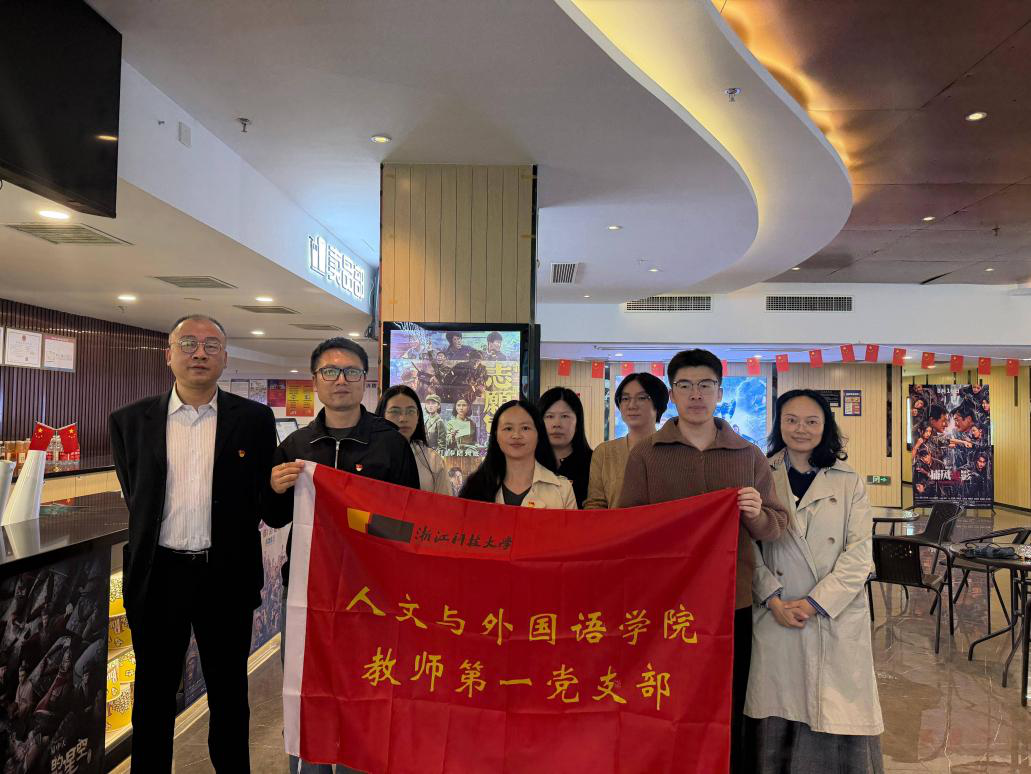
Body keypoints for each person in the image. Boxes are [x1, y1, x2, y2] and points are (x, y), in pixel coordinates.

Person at [108, 314, 277, 772]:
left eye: (210, 345)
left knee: (229, 694)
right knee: (153, 697)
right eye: (188, 344)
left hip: (226, 575)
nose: (199, 353)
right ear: (169, 355)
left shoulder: (254, 420)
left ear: (225, 357)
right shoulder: (129, 421)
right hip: (157, 577)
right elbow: (136, 494)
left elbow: (262, 498)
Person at [618, 348, 787, 773]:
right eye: (686, 385)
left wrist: (755, 514)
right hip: (665, 605)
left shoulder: (747, 455)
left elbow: (775, 526)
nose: (696, 395)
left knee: (727, 699)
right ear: (672, 393)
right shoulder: (647, 454)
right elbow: (626, 525)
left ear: (720, 392)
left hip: (732, 604)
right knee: (666, 698)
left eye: (705, 385)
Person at [266, 337, 419, 774]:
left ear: (365, 381)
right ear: (315, 380)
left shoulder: (389, 444)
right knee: (308, 691)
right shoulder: (296, 446)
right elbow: (275, 518)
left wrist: (360, 522)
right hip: (307, 592)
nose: (340, 381)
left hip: (371, 594)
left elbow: (409, 522)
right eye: (330, 372)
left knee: (367, 691)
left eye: (351, 372)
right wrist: (274, 489)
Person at [746, 389, 883, 772]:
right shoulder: (761, 474)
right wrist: (772, 598)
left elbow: (859, 554)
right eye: (791, 420)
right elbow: (748, 548)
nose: (800, 429)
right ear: (779, 424)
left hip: (830, 614)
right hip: (776, 611)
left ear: (826, 427)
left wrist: (813, 603)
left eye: (811, 421)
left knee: (833, 707)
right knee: (779, 706)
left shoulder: (848, 481)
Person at [458, 399, 576, 508]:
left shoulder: (562, 489)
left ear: (539, 434)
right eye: (508, 428)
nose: (516, 435)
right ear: (496, 435)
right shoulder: (475, 487)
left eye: (525, 428)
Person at [584, 372, 667, 509]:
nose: (631, 405)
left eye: (641, 398)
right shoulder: (604, 452)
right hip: (615, 523)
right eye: (625, 398)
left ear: (658, 403)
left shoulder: (673, 451)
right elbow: (595, 504)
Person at [376, 385, 451, 495]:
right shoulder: (369, 455)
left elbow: (444, 503)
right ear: (382, 415)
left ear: (418, 416)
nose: (403, 419)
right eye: (395, 412)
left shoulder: (433, 460)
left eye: (410, 411)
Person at [538, 387, 593, 508]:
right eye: (549, 416)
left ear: (578, 422)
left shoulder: (594, 463)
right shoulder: (529, 463)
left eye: (565, 416)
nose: (557, 424)